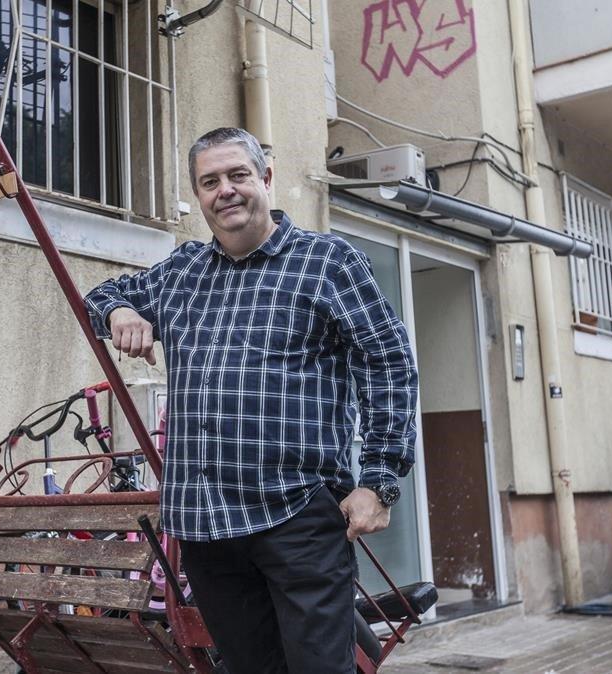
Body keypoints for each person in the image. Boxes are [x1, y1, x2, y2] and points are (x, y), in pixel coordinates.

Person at [84, 127, 417, 674]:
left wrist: (379, 480)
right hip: (204, 522)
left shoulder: (328, 263)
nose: (226, 190)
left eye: (238, 175)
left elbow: (389, 363)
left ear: (266, 177)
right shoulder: (181, 272)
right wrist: (121, 313)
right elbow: (101, 294)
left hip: (295, 514)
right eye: (209, 181)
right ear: (199, 194)